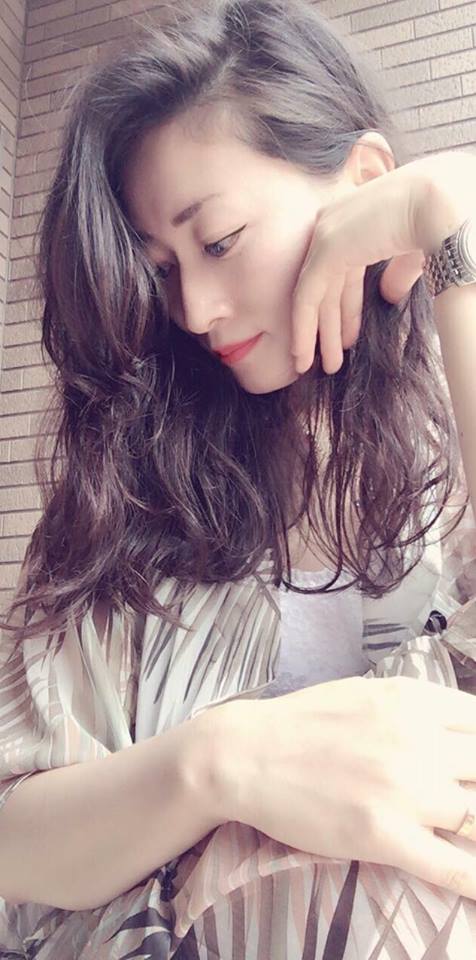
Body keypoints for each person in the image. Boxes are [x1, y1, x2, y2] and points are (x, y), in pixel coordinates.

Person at [1, 0, 476, 956]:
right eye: (163, 269)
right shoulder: (129, 494)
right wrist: (221, 764)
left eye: (219, 241)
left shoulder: (448, 457)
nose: (196, 309)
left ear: (364, 183)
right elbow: (13, 841)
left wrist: (453, 224)